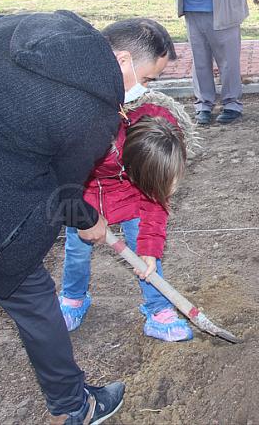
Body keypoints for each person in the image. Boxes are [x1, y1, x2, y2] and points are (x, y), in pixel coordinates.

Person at [0, 12, 176, 423]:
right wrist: (90, 222)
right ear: (122, 61)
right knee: (34, 301)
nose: (144, 90)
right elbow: (65, 193)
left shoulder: (38, 23)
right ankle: (75, 407)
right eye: (148, 78)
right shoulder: (93, 115)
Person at [59, 90, 198, 343]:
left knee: (145, 257)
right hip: (83, 193)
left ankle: (159, 310)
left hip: (131, 194)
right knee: (77, 250)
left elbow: (155, 202)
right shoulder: (90, 137)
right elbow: (61, 179)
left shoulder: (156, 148)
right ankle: (73, 299)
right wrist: (80, 215)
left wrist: (150, 249)